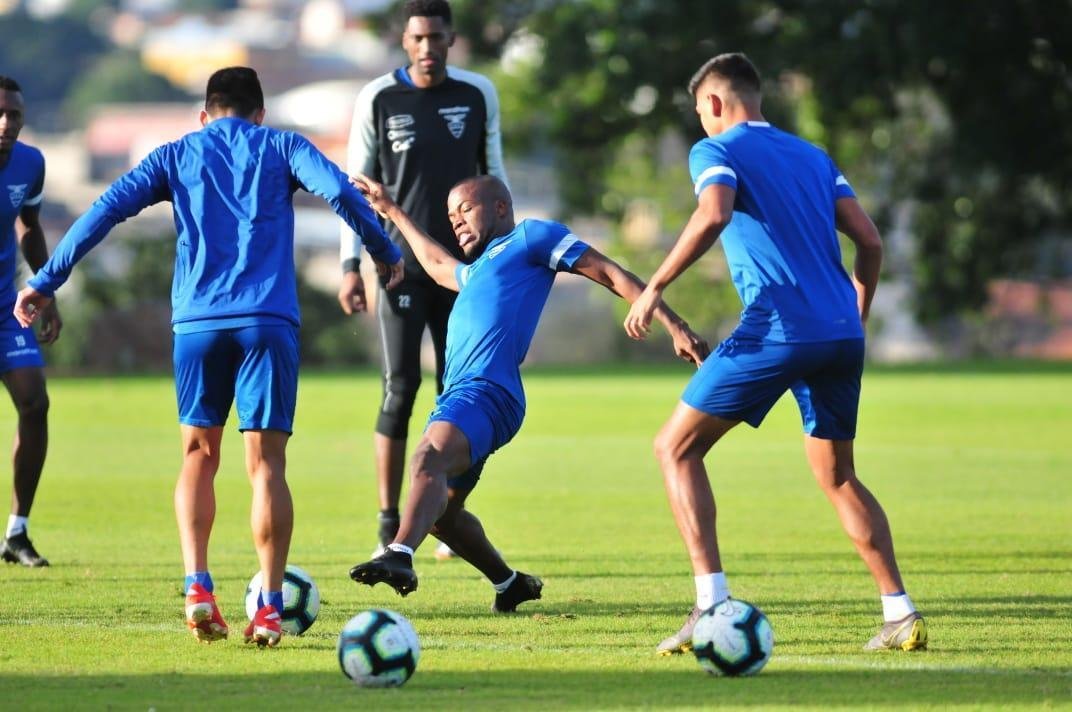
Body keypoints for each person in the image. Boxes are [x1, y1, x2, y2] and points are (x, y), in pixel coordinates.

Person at [14, 67, 403, 646]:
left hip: (197, 324)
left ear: (205, 113)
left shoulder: (176, 154)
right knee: (266, 466)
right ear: (260, 113)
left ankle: (198, 587)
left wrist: (46, 280)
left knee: (198, 453)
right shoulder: (284, 145)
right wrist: (381, 247)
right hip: (267, 321)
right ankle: (269, 609)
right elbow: (341, 191)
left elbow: (104, 211)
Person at [623, 53, 927, 654]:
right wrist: (856, 312)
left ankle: (710, 605)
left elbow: (714, 213)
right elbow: (868, 240)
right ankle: (900, 613)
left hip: (779, 326)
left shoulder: (717, 150)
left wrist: (654, 287)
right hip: (840, 331)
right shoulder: (813, 157)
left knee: (674, 448)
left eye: (700, 113)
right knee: (838, 476)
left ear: (712, 103)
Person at [347, 173, 709, 610]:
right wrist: (391, 209)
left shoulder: (532, 238)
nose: (456, 222)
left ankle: (399, 553)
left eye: (464, 210)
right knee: (442, 516)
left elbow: (611, 273)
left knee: (426, 459)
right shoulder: (476, 269)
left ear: (500, 207)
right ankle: (509, 583)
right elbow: (438, 265)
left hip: (487, 392)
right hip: (461, 397)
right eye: (450, 216)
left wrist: (675, 324)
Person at [337, 0, 509, 560]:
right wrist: (349, 265)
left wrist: (503, 256)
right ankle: (389, 520)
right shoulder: (379, 98)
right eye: (418, 38)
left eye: (437, 37)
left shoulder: (476, 93)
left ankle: (446, 517)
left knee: (460, 396)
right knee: (400, 387)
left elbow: (495, 177)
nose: (428, 47)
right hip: (400, 269)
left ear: (451, 39)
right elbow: (355, 188)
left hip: (466, 273)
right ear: (404, 42)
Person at [0, 76, 61, 568]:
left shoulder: (31, 163)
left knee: (35, 403)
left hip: (6, 310)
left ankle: (17, 533)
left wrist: (47, 291)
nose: (7, 123)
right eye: (0, 113)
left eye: (15, 114)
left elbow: (30, 226)